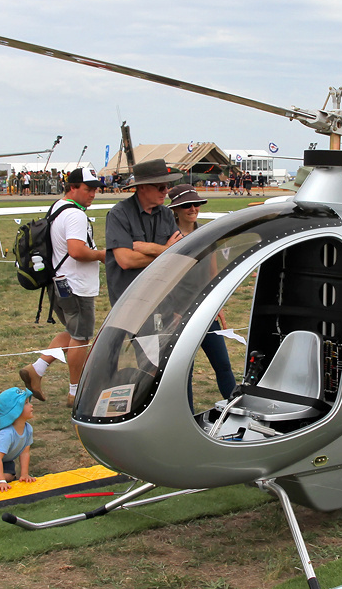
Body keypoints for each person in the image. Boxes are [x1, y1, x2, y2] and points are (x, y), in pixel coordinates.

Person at [20, 167, 106, 406]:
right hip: (76, 286)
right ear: (72, 187)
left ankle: (36, 369)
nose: (93, 194)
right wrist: (101, 254)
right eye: (88, 189)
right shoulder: (75, 215)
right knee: (81, 338)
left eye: (95, 189)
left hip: (59, 283)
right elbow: (76, 251)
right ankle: (75, 392)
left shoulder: (57, 208)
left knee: (72, 333)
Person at [167, 184, 236, 401]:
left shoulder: (207, 233)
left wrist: (217, 305)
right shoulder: (168, 239)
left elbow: (213, 271)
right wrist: (172, 311)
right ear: (175, 209)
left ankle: (233, 407)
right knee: (185, 368)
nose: (193, 208)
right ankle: (186, 414)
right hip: (178, 311)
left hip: (205, 309)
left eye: (196, 204)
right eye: (187, 205)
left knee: (223, 364)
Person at [104, 159, 183, 306]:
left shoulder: (166, 214)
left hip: (162, 299)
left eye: (167, 186)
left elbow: (180, 256)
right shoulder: (119, 214)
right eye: (161, 187)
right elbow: (126, 261)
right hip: (129, 301)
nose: (166, 191)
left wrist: (152, 249)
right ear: (142, 187)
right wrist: (167, 251)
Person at [0, 387, 34, 483]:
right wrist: (1, 481)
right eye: (26, 403)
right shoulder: (6, 434)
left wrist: (24, 474)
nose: (31, 405)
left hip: (4, 460)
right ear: (15, 411)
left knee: (9, 477)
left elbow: (25, 452)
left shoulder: (28, 428)